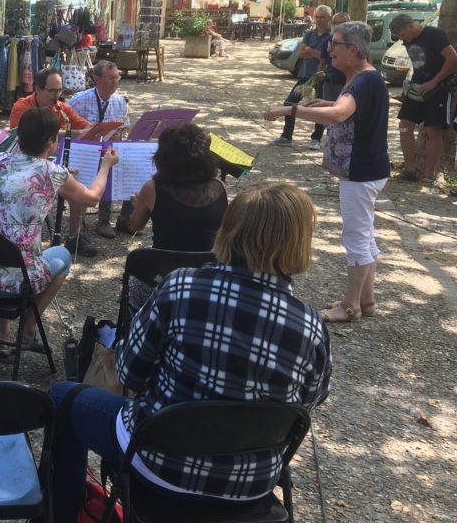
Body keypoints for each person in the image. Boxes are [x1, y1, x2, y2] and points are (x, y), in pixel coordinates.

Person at [48, 182, 332, 523]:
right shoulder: (311, 325)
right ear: (300, 242)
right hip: (251, 482)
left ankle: (63, 514)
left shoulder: (181, 286)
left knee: (61, 397)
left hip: (160, 463)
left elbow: (129, 372)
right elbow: (306, 404)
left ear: (229, 229)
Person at [0, 108, 118, 352]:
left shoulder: (0, 161)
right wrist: (106, 166)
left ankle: (2, 338)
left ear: (19, 138)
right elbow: (92, 198)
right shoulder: (53, 173)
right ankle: (28, 327)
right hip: (12, 286)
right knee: (62, 256)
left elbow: (18, 184)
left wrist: (60, 178)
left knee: (3, 240)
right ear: (51, 141)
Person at [264, 21, 389, 322]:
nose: (329, 50)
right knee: (365, 236)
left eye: (336, 44)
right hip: (369, 168)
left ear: (354, 49)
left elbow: (338, 115)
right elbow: (347, 107)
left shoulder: (362, 80)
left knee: (356, 238)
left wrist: (288, 110)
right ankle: (367, 301)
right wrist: (330, 101)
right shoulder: (364, 78)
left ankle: (350, 307)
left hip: (361, 170)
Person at [126, 124, 228, 311]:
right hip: (207, 277)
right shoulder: (220, 187)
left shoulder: (152, 187)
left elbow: (135, 225)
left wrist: (138, 206)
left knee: (133, 289)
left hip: (162, 279)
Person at [8, 69, 95, 256]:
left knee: (78, 183)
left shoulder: (62, 108)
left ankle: (74, 237)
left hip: (51, 158)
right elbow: (17, 134)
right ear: (37, 89)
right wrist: (68, 133)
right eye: (52, 90)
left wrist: (101, 129)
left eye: (59, 90)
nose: (57, 96)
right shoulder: (21, 107)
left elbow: (85, 127)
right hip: (26, 160)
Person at [389, 14, 457, 184]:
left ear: (411, 25)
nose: (404, 40)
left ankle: (430, 173)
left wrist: (435, 81)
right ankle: (409, 169)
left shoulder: (435, 34)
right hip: (417, 87)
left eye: (404, 36)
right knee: (405, 125)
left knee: (433, 130)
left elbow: (453, 58)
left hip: (440, 87)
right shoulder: (407, 39)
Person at [67, 61, 129, 239]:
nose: (115, 81)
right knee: (84, 170)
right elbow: (64, 123)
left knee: (130, 165)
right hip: (84, 152)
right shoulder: (79, 99)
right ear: (96, 79)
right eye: (111, 78)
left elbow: (126, 128)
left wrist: (122, 133)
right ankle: (79, 219)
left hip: (108, 150)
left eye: (117, 77)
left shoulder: (120, 102)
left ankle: (106, 220)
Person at [270, 5, 333, 149]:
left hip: (322, 76)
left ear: (329, 18)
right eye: (317, 17)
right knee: (289, 103)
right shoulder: (310, 34)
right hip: (305, 75)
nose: (319, 20)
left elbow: (327, 57)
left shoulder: (332, 36)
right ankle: (286, 136)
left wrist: (311, 50)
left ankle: (316, 139)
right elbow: (301, 53)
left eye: (322, 17)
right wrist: (316, 52)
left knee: (320, 108)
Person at [319, 12, 351, 103]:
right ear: (332, 25)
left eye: (344, 23)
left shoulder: (356, 41)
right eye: (337, 23)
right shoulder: (327, 41)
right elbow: (322, 63)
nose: (340, 26)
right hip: (331, 83)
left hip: (350, 84)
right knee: (328, 112)